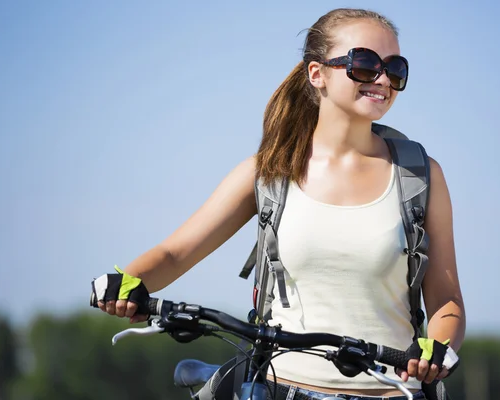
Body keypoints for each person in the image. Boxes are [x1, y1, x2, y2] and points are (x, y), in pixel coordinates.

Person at [93, 7, 465, 400]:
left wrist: (438, 347)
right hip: (279, 389)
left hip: (391, 393)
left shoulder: (420, 175)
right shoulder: (269, 171)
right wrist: (127, 282)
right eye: (364, 64)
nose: (382, 79)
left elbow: (446, 299)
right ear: (317, 74)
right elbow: (175, 252)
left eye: (394, 67)